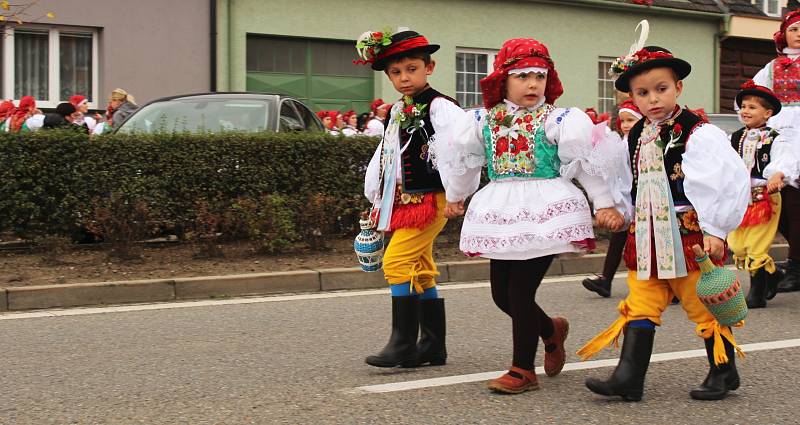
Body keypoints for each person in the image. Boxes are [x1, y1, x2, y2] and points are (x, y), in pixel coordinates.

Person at [431, 38, 624, 394]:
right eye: (522, 76)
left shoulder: (559, 119)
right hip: (501, 209)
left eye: (539, 76)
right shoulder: (482, 121)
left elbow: (585, 164)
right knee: (501, 296)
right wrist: (456, 196)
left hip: (546, 211)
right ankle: (551, 330)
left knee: (519, 292)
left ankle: (523, 370)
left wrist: (604, 203)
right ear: (502, 81)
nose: (532, 84)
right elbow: (464, 162)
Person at [578, 21, 751, 402]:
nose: (653, 99)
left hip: (688, 234)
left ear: (679, 88)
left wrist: (716, 228)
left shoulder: (698, 132)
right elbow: (628, 181)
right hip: (646, 233)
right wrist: (618, 212)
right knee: (641, 299)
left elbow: (725, 180)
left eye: (661, 89)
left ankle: (724, 371)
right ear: (632, 98)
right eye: (642, 93)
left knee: (700, 302)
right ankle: (628, 378)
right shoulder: (636, 134)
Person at [359, 28, 461, 369]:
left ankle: (402, 341)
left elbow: (458, 152)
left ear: (428, 67)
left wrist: (458, 194)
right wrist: (375, 195)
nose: (404, 77)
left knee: (396, 262)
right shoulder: (397, 110)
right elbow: (386, 152)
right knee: (420, 266)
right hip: (405, 199)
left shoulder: (440, 106)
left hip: (433, 199)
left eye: (412, 69)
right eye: (396, 72)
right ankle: (432, 345)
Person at [728, 80, 798, 308]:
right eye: (744, 106)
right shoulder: (735, 137)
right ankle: (773, 272)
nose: (746, 111)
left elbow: (786, 159)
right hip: (741, 197)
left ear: (767, 113)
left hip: (765, 197)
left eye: (752, 107)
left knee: (757, 245)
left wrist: (778, 174)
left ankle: (756, 293)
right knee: (737, 245)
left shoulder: (775, 138)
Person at [752, 9, 800, 293]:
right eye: (794, 29)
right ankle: (795, 261)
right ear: (784, 35)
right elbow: (753, 94)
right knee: (778, 201)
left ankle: (795, 266)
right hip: (780, 133)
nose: (799, 34)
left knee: (794, 203)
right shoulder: (772, 67)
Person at [583, 99, 642, 298]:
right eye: (623, 121)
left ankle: (666, 285)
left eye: (631, 120)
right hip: (625, 200)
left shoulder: (643, 142)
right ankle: (606, 280)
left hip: (642, 200)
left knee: (646, 243)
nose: (626, 125)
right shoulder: (620, 143)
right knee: (618, 239)